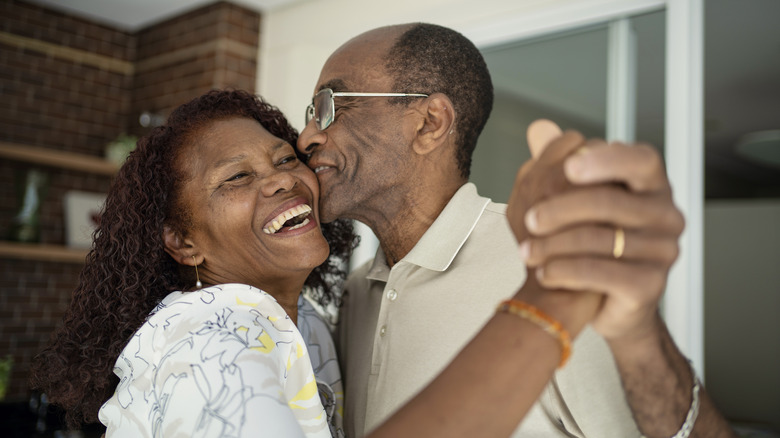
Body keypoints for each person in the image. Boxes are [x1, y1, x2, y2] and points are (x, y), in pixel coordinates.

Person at [31, 89, 623, 437]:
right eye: (237, 177)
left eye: (284, 159)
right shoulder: (215, 333)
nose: (284, 180)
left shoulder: (311, 317)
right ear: (185, 245)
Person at [296, 23, 737, 437]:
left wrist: (639, 336)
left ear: (429, 123)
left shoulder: (546, 266)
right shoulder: (357, 294)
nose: (306, 138)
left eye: (328, 106)